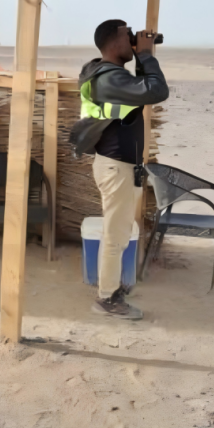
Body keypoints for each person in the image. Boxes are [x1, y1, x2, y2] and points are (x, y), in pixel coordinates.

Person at [70, 19, 169, 320]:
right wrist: (147, 55)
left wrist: (142, 55)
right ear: (114, 43)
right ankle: (107, 298)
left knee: (121, 232)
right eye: (129, 36)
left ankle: (112, 289)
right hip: (115, 167)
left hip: (120, 166)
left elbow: (143, 90)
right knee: (114, 236)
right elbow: (156, 91)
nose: (133, 40)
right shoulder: (108, 78)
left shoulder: (112, 77)